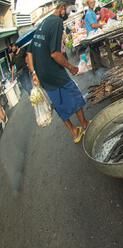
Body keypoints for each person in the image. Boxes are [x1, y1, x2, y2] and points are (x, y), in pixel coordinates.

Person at [27, 1, 89, 144]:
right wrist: (71, 67)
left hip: (43, 75)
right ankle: (85, 125)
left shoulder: (44, 22)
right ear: (62, 8)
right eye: (68, 10)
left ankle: (74, 132)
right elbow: (55, 54)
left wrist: (34, 73)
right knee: (74, 94)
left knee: (58, 103)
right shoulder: (56, 22)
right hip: (53, 71)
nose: (68, 13)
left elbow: (29, 53)